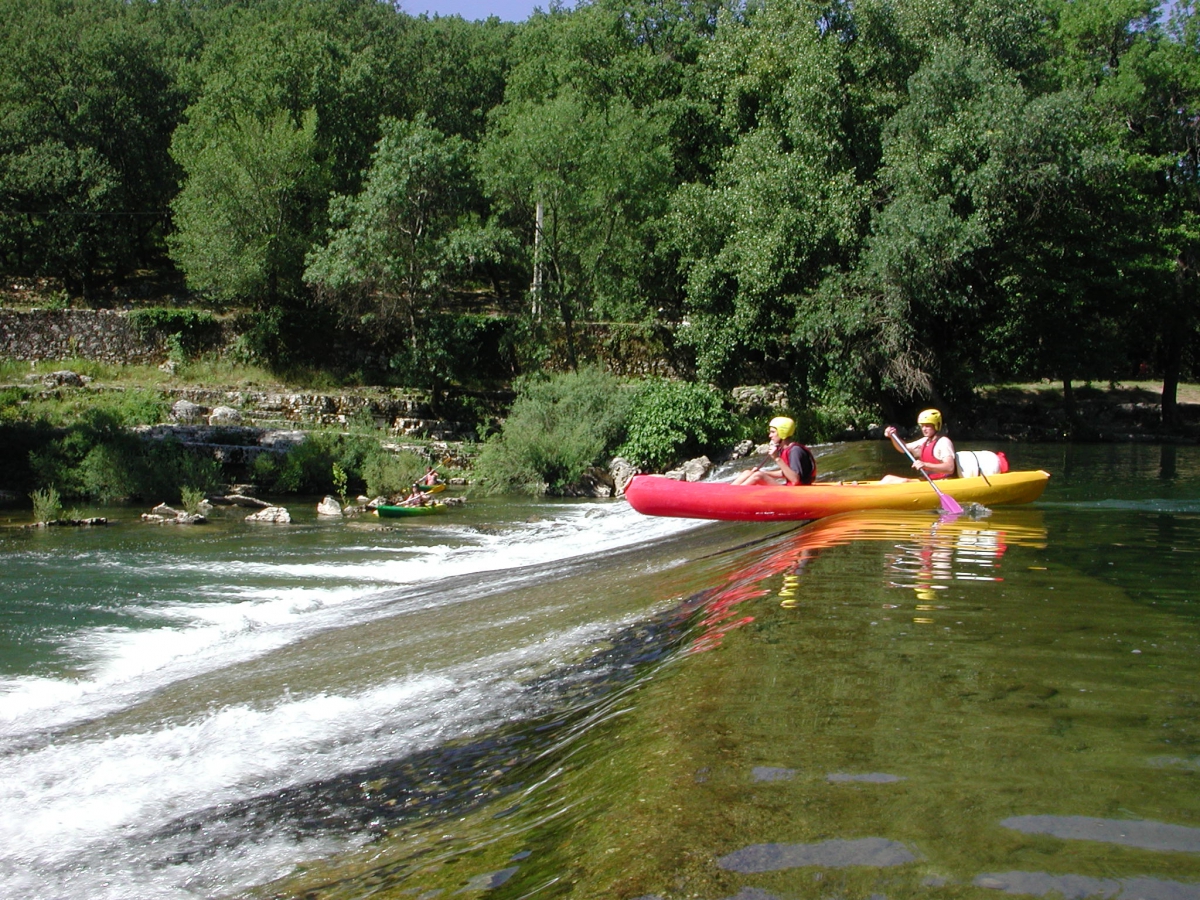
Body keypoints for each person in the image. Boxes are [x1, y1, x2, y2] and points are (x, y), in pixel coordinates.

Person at [732, 416, 816, 486]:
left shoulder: (795, 451)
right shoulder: (784, 449)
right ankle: (728, 492)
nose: (770, 435)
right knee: (748, 473)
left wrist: (776, 458)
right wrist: (765, 472)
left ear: (782, 432)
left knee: (758, 476)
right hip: (791, 488)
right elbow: (785, 473)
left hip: (798, 491)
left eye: (773, 432)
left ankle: (733, 497)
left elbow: (795, 479)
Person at [881, 408, 956, 483]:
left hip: (941, 482)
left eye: (927, 426)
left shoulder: (944, 442)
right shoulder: (925, 441)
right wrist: (893, 437)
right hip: (927, 481)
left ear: (936, 425)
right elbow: (903, 448)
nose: (924, 429)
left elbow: (950, 468)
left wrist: (925, 465)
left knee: (903, 482)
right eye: (922, 426)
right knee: (888, 478)